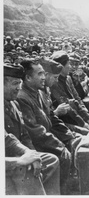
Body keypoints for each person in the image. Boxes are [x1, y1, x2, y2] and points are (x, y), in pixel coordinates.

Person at [16, 60, 73, 194]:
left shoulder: (39, 93)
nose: (43, 77)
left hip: (45, 139)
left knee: (71, 145)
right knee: (64, 156)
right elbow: (36, 131)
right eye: (40, 73)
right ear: (28, 78)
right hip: (35, 144)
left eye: (44, 73)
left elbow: (52, 117)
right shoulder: (22, 97)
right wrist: (59, 145)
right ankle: (60, 192)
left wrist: (68, 135)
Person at [4, 64, 60, 195]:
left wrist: (31, 154)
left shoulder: (14, 103)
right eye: (15, 83)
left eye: (20, 83)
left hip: (15, 155)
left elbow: (19, 137)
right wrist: (19, 161)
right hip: (7, 161)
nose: (19, 87)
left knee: (50, 160)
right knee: (26, 169)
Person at [50, 51, 89, 128]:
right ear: (61, 66)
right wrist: (84, 121)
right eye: (69, 64)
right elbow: (67, 104)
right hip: (66, 114)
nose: (71, 67)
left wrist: (86, 113)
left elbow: (78, 96)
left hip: (75, 108)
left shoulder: (68, 78)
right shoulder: (54, 82)